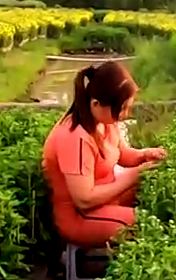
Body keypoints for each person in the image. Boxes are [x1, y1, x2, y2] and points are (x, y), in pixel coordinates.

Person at [42, 61, 165, 247]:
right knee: (147, 225)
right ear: (96, 104)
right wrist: (134, 176)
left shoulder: (104, 121)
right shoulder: (75, 137)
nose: (124, 114)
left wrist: (145, 155)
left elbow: (123, 155)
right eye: (121, 108)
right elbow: (84, 199)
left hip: (104, 198)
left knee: (159, 190)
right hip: (80, 216)